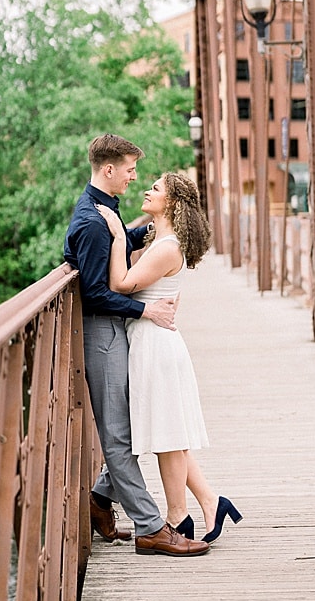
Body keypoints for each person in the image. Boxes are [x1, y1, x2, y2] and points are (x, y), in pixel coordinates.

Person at [63, 134, 209, 557]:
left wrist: (138, 231)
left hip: (116, 332)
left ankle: (100, 498)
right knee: (120, 434)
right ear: (108, 170)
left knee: (130, 424)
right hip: (104, 333)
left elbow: (115, 252)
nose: (134, 177)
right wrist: (146, 312)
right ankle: (149, 526)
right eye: (129, 169)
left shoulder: (104, 212)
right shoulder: (93, 220)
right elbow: (94, 293)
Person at [96, 171, 243, 544]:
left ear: (172, 203)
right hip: (151, 340)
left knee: (166, 433)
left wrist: (116, 236)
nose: (147, 189)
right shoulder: (159, 239)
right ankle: (210, 502)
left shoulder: (166, 247)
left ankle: (179, 516)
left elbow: (120, 284)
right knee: (168, 432)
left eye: (156, 188)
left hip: (155, 345)